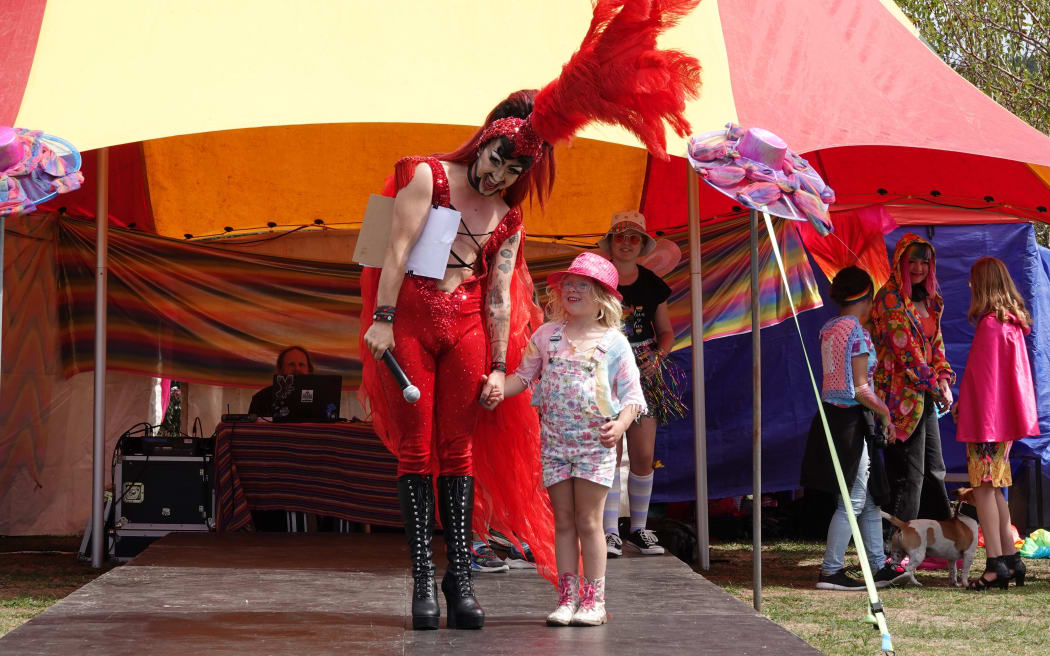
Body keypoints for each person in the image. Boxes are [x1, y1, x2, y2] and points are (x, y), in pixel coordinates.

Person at [358, 0, 701, 632]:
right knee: (416, 448)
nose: (501, 173)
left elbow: (494, 296)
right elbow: (396, 251)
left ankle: (458, 580)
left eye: (518, 168)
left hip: (464, 329)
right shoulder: (424, 175)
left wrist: (495, 364)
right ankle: (420, 587)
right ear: (486, 136)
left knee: (457, 450)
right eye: (500, 157)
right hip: (406, 320)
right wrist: (381, 316)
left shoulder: (509, 217)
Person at [486, 252, 646, 626]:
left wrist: (620, 425)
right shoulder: (546, 336)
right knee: (563, 521)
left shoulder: (614, 343)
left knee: (589, 522)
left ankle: (594, 600)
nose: (572, 290)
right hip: (556, 443)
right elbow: (523, 378)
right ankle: (566, 597)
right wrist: (497, 388)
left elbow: (633, 397)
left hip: (595, 445)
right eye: (568, 284)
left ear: (602, 296)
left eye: (582, 285)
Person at [801, 267, 902, 590]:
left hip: (832, 415)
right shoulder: (857, 332)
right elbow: (860, 388)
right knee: (853, 500)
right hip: (849, 420)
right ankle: (830, 570)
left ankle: (878, 564)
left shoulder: (830, 328)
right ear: (867, 298)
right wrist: (886, 414)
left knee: (868, 497)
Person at [597, 211, 685, 557]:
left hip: (644, 375)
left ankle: (638, 528)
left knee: (643, 453)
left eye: (634, 238)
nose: (626, 243)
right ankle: (608, 532)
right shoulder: (598, 280)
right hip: (604, 373)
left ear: (643, 245)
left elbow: (666, 332)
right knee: (609, 450)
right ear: (611, 242)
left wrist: (658, 358)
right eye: (620, 236)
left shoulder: (651, 284)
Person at [953, 257, 1039, 590]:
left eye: (974, 282)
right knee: (996, 490)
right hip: (1001, 425)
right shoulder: (1012, 324)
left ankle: (995, 566)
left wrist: (967, 408)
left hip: (987, 424)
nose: (970, 287)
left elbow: (983, 382)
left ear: (984, 285)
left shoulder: (991, 326)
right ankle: (1011, 560)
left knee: (984, 490)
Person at [871, 234, 955, 538]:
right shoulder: (890, 298)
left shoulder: (932, 301)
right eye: (913, 260)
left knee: (935, 470)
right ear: (900, 262)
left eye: (925, 261)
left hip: (925, 396)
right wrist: (937, 385)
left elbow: (937, 345)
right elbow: (906, 352)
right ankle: (895, 547)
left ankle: (939, 540)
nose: (919, 266)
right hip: (898, 400)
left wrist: (944, 378)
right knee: (909, 475)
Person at [248, 345, 314, 417]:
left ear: (309, 370)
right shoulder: (261, 399)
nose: (297, 368)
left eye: (301, 364)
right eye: (291, 364)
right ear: (280, 369)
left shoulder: (322, 396)